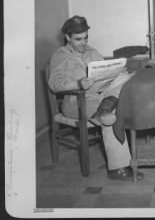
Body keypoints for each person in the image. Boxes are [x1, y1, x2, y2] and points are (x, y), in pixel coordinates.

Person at [48, 15, 143, 181]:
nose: (83, 43)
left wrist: (118, 74)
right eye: (78, 39)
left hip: (100, 96)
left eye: (85, 38)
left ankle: (104, 111)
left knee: (126, 82)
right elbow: (54, 84)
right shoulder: (60, 56)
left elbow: (106, 72)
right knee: (114, 115)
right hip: (77, 102)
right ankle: (118, 168)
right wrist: (77, 83)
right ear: (67, 37)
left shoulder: (92, 52)